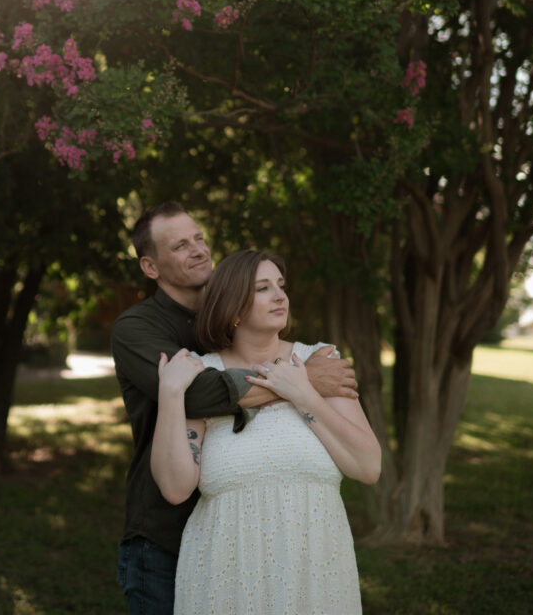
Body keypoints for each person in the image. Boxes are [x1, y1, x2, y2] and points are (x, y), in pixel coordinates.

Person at [112, 202, 359, 615]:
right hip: (163, 536)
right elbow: (200, 395)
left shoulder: (232, 319)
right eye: (179, 246)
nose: (197, 250)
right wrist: (304, 383)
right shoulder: (137, 328)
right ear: (150, 267)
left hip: (248, 531)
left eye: (199, 238)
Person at [150, 248, 381, 615]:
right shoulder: (204, 377)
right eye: (262, 288)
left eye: (281, 285)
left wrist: (304, 393)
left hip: (317, 574)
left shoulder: (321, 362)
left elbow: (368, 467)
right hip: (226, 579)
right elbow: (176, 488)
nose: (280, 295)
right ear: (233, 306)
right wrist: (171, 393)